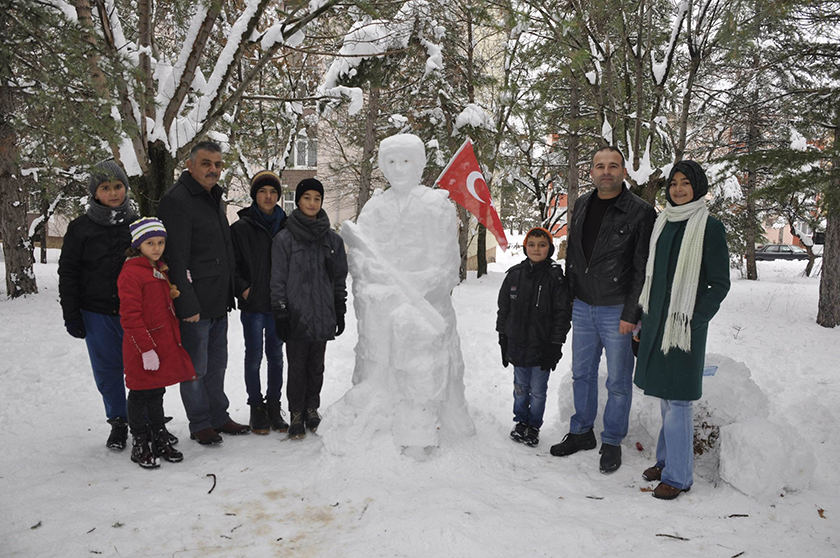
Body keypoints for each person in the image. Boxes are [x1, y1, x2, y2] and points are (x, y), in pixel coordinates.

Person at [332, 133, 475, 457]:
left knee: (418, 351)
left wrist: (419, 285)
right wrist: (374, 280)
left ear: (420, 163)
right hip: (383, 300)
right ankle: (374, 407)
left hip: (424, 304)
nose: (398, 169)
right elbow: (359, 257)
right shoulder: (374, 208)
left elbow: (447, 264)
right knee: (378, 347)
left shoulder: (435, 205)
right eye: (391, 161)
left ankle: (419, 428)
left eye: (406, 160)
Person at [550, 146, 656, 474]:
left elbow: (642, 268)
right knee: (582, 374)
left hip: (616, 309)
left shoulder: (640, 212)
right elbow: (574, 258)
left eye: (613, 166)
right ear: (591, 171)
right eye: (599, 166)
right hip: (582, 305)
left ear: (624, 171)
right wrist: (569, 298)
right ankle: (581, 432)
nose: (605, 172)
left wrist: (631, 312)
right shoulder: (581, 204)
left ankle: (611, 439)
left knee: (619, 381)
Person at [633, 161, 730, 499]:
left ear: (698, 186)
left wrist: (694, 318)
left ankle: (678, 476)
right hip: (658, 322)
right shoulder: (664, 222)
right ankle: (666, 460)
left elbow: (719, 284)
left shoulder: (710, 228)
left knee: (680, 401)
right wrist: (645, 318)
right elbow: (653, 277)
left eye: (685, 182)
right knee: (665, 396)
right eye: (673, 183)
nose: (677, 188)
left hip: (683, 328)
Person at [157, 141, 249, 445]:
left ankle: (218, 416)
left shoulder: (212, 197)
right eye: (207, 163)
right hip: (196, 302)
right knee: (194, 368)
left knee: (216, 364)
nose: (213, 170)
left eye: (218, 165)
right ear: (190, 165)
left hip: (218, 300)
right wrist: (187, 302)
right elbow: (176, 258)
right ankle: (200, 423)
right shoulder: (178, 200)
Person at [58, 160, 134, 450]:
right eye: (105, 188)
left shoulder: (138, 225)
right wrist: (72, 315)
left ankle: (145, 418)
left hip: (133, 312)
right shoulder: (80, 229)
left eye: (117, 186)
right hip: (97, 313)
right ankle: (118, 421)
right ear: (95, 193)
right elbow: (68, 273)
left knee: (141, 368)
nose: (113, 193)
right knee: (108, 371)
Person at [270, 178, 347, 440]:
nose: (312, 203)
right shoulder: (285, 239)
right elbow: (278, 280)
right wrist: (280, 311)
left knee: (316, 366)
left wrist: (340, 307)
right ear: (298, 201)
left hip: (323, 314)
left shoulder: (333, 241)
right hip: (296, 316)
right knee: (297, 366)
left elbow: (338, 279)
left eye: (317, 198)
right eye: (307, 198)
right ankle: (296, 413)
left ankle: (312, 408)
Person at [118, 218, 197, 468]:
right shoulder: (131, 273)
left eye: (161, 242)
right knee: (140, 393)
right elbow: (130, 316)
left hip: (160, 343)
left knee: (157, 392)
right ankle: (140, 441)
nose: (156, 248)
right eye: (150, 243)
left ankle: (158, 436)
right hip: (142, 346)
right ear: (138, 245)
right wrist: (146, 349)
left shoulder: (159, 268)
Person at [497, 227, 572, 447]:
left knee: (538, 390)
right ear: (524, 247)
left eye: (541, 245)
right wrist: (503, 337)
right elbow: (504, 309)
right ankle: (520, 421)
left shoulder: (556, 278)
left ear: (549, 248)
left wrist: (555, 345)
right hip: (518, 344)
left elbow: (562, 315)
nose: (536, 249)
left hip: (542, 347)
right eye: (531, 244)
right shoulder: (514, 275)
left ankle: (534, 425)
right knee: (520, 386)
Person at [231, 170, 289, 434]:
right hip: (254, 305)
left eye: (273, 192)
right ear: (255, 195)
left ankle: (274, 406)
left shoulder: (287, 226)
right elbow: (232, 266)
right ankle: (256, 407)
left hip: (278, 305)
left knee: (276, 357)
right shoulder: (241, 227)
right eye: (263, 192)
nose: (268, 196)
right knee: (253, 357)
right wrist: (244, 290)